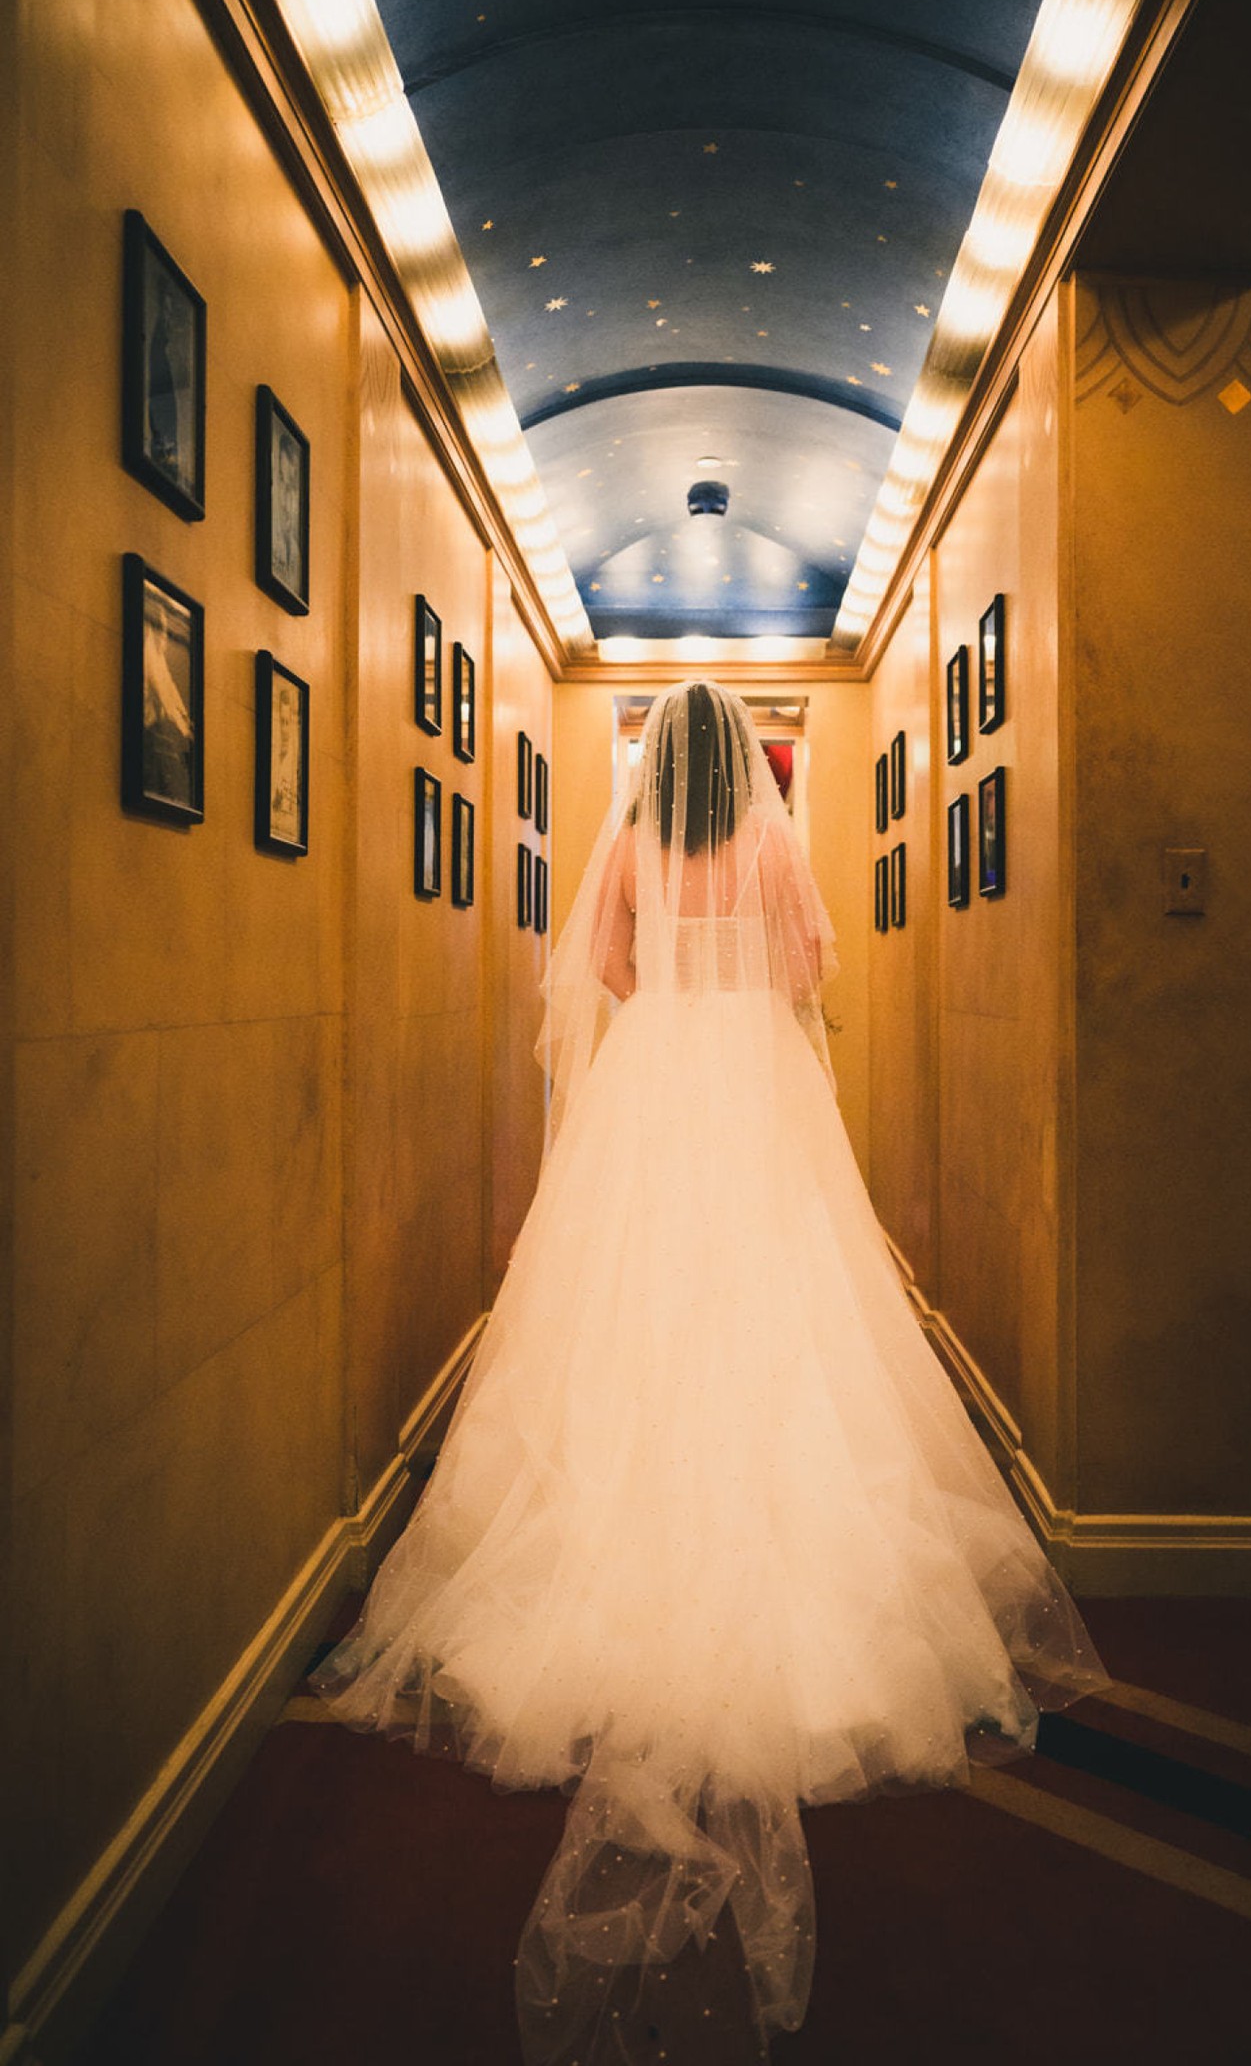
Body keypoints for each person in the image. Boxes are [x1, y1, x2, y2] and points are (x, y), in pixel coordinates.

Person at [312, 681, 1107, 2063]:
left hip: (659, 1080)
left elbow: (606, 970)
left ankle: (613, 1550)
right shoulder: (775, 841)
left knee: (623, 1311)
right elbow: (810, 970)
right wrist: (738, 987)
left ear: (651, 766)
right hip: (753, 1082)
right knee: (788, 1305)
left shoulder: (625, 850)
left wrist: (677, 991)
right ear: (737, 763)